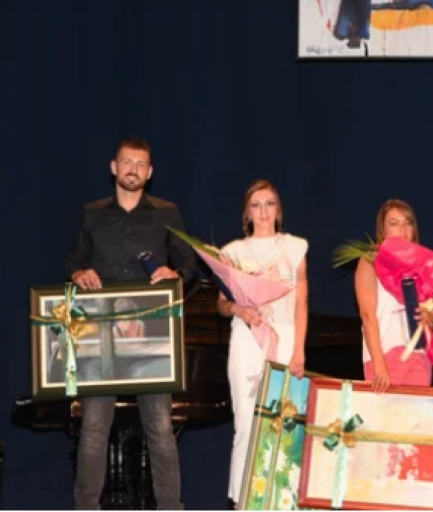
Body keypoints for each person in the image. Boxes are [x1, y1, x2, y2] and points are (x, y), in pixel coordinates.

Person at [65, 136, 196, 510]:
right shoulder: (91, 214)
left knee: (160, 428)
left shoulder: (167, 213)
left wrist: (175, 273)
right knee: (94, 428)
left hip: (150, 332)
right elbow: (73, 262)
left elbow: (189, 265)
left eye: (140, 164)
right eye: (127, 162)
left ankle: (171, 507)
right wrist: (79, 274)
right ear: (114, 167)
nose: (133, 169)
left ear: (149, 172)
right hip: (100, 333)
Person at [216, 179, 308, 507]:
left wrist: (299, 351)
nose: (263, 211)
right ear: (247, 213)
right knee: (246, 423)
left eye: (269, 204)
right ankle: (243, 502)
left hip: (285, 337)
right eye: (256, 205)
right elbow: (220, 304)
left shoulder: (295, 247)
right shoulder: (232, 252)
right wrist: (238, 309)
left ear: (278, 210)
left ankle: (283, 500)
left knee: (286, 423)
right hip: (247, 339)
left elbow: (301, 303)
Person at [356, 199, 433, 392]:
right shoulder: (370, 261)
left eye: (407, 223)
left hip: (419, 356)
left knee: (416, 412)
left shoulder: (424, 265)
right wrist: (379, 364)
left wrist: (429, 317)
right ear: (383, 230)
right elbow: (367, 315)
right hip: (384, 355)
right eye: (394, 223)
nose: (402, 229)